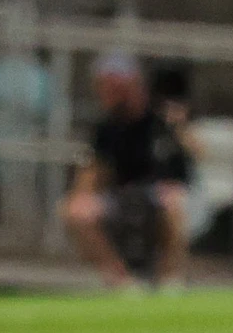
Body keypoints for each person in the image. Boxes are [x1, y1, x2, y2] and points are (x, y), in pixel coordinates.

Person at [60, 52, 190, 288]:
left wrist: (180, 129)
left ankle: (170, 280)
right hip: (123, 197)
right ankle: (123, 282)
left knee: (173, 203)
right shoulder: (107, 127)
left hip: (161, 194)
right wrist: (81, 195)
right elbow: (92, 170)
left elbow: (193, 154)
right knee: (75, 211)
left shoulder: (161, 118)